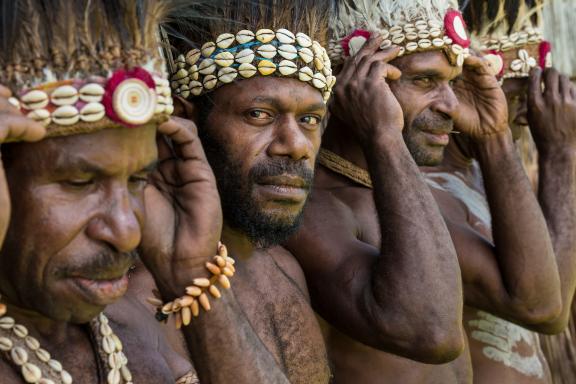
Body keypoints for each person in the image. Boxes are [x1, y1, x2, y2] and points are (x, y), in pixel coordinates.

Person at [0, 1, 302, 383]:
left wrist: (191, 273)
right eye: (78, 184)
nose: (127, 231)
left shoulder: (134, 326)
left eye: (137, 180)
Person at [285, 0, 564, 383]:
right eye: (425, 81)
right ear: (353, 84)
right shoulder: (313, 212)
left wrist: (494, 136)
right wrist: (382, 133)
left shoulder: (407, 197)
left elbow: (542, 302)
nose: (451, 104)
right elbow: (434, 333)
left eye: (451, 82)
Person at [133, 0, 338, 382]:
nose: (296, 145)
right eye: (258, 114)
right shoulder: (133, 300)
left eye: (310, 119)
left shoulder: (286, 269)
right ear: (183, 121)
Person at [462, 1, 576, 383]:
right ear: (470, 87)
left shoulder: (494, 179)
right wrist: (561, 152)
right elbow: (548, 308)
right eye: (516, 97)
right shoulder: (430, 190)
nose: (532, 116)